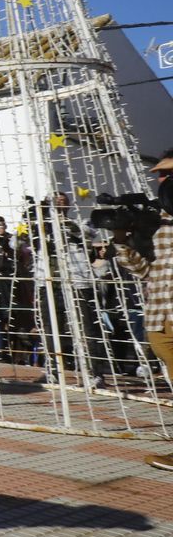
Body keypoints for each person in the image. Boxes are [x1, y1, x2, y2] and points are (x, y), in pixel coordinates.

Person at [114, 150, 173, 471]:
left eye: (166, 175)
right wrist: (122, 240)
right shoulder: (158, 223)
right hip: (159, 317)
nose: (161, 180)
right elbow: (148, 271)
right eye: (161, 176)